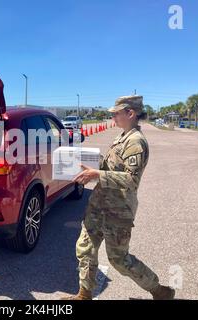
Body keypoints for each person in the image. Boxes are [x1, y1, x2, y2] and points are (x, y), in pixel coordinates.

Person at [63, 95, 175, 300]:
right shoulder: (122, 136)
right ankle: (84, 293)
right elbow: (111, 168)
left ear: (130, 113)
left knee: (119, 260)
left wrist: (97, 175)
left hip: (118, 210)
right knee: (85, 248)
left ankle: (159, 290)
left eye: (116, 113)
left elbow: (132, 180)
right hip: (98, 205)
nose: (113, 117)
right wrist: (88, 162)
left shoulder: (136, 142)